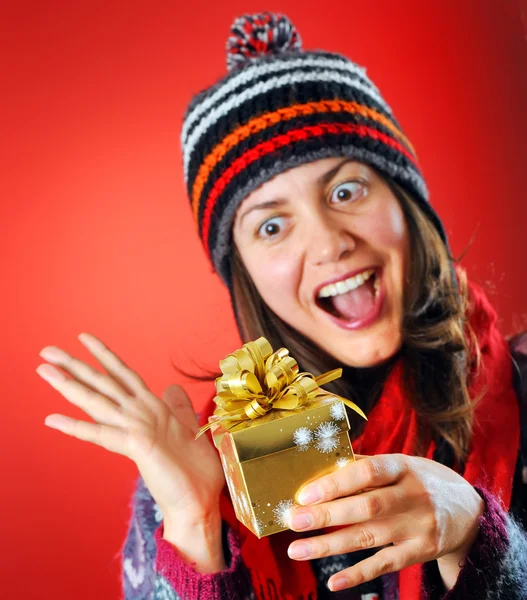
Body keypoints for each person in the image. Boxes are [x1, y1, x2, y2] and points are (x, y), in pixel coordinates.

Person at [36, 12, 527, 600]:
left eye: (347, 191)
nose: (327, 242)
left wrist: (478, 535)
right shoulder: (198, 466)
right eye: (272, 225)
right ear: (242, 272)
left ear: (408, 206)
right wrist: (195, 525)